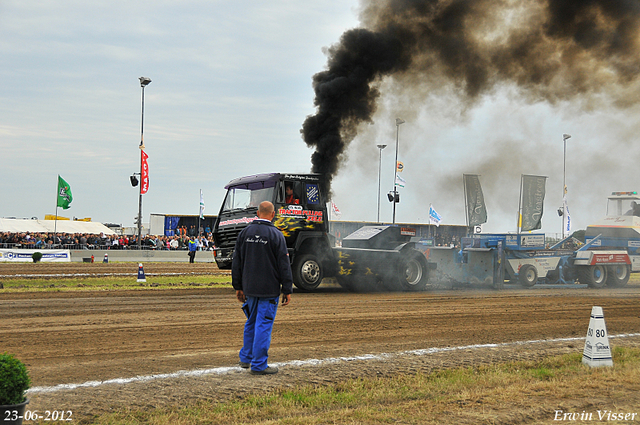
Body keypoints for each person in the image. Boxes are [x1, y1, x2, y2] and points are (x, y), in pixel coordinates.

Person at [232, 201, 293, 375]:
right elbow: (284, 264)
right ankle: (259, 365)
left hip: (250, 288)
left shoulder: (244, 233)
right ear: (273, 214)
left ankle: (246, 358)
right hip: (269, 289)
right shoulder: (276, 235)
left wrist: (238, 286)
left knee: (251, 322)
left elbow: (237, 262)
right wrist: (287, 289)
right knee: (263, 325)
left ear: (258, 213)